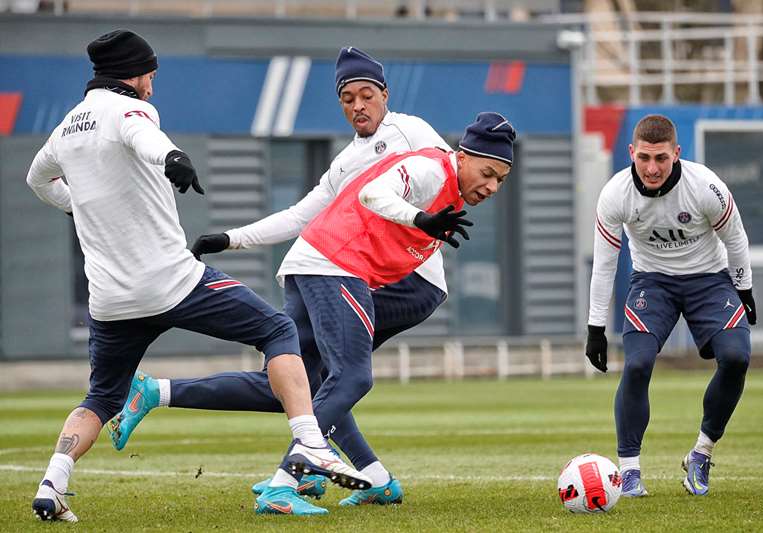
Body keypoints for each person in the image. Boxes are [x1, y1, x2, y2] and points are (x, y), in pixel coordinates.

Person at [108, 46, 481, 508]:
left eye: (367, 95)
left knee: (331, 377)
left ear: (385, 95)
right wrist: (229, 239)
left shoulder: (409, 130)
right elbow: (300, 215)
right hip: (336, 268)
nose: (358, 106)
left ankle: (296, 475)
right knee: (295, 382)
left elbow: (449, 178)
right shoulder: (345, 164)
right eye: (348, 98)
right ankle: (365, 474)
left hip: (410, 283)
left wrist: (423, 219)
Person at [25, 29, 369, 521]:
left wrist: (76, 205)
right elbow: (144, 137)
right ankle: (311, 443)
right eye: (151, 74)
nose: (152, 84)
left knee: (101, 396)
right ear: (136, 73)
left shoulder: (66, 129)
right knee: (277, 329)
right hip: (172, 282)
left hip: (110, 299)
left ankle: (50, 484)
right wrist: (174, 159)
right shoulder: (131, 109)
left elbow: (36, 179)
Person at [584, 114, 756, 498]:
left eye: (661, 158)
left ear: (676, 154)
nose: (652, 167)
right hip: (652, 283)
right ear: (631, 152)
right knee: (639, 363)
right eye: (644, 157)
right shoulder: (615, 194)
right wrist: (596, 328)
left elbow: (736, 238)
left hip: (710, 281)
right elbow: (605, 263)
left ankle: (701, 452)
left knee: (737, 357)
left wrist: (743, 289)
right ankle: (629, 472)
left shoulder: (706, 187)